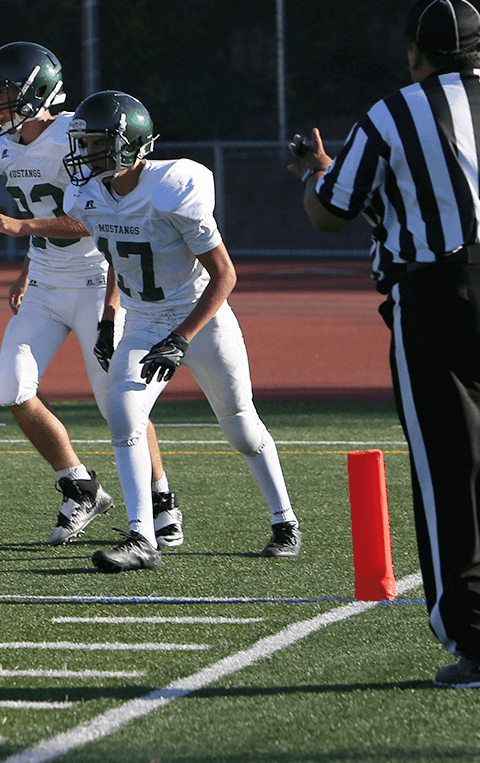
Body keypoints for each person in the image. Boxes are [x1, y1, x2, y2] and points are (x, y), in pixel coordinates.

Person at [288, 0, 480, 690]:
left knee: (452, 471)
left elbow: (331, 213)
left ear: (414, 53)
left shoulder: (393, 113)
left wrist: (314, 170)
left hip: (443, 294)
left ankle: (476, 644)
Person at [18, 91, 300, 573]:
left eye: (96, 143)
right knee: (124, 415)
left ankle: (284, 521)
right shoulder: (88, 196)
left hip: (200, 317)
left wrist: (182, 337)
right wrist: (110, 315)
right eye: (83, 143)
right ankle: (142, 537)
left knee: (240, 427)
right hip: (143, 319)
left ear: (129, 145)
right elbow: (117, 253)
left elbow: (225, 275)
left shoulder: (173, 187)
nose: (85, 153)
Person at [0, 42, 180, 547]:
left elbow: (99, 218)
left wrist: (21, 228)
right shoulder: (3, 149)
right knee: (12, 390)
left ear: (36, 91)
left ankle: (161, 501)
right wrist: (27, 266)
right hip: (46, 283)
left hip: (94, 280)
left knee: (119, 404)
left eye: (3, 92)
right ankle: (81, 487)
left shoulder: (76, 134)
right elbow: (41, 216)